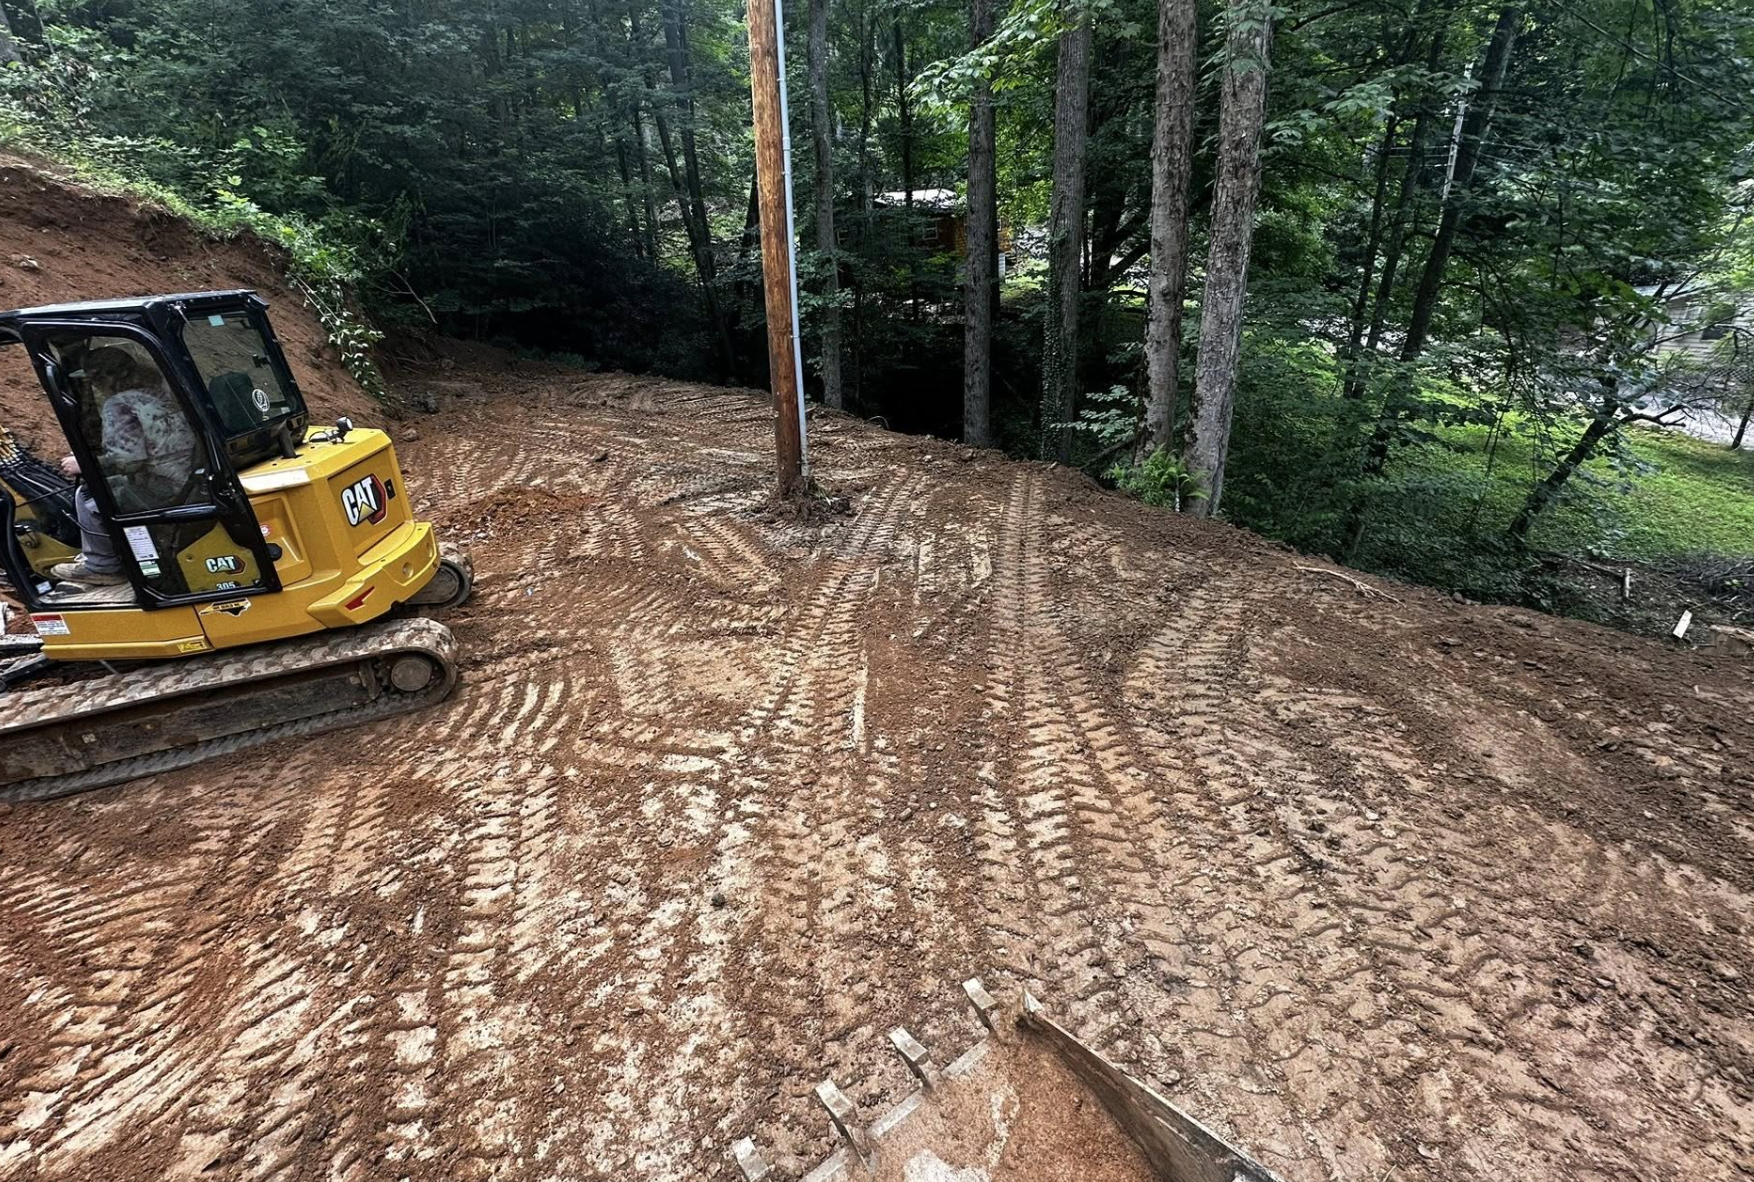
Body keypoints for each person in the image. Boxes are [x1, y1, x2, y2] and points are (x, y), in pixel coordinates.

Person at [49, 347, 197, 588]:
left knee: (87, 494)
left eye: (94, 381)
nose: (94, 387)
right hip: (188, 476)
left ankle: (102, 566)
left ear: (106, 378)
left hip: (165, 487)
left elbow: (129, 461)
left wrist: (84, 464)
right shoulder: (159, 394)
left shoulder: (119, 404)